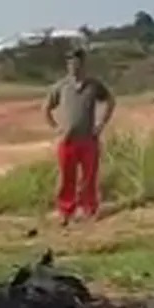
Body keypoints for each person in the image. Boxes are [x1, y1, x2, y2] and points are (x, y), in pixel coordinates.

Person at [44, 48, 116, 224]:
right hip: (67, 140)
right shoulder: (61, 86)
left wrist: (101, 124)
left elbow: (110, 100)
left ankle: (89, 209)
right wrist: (56, 128)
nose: (73, 67)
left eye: (76, 63)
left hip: (88, 140)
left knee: (89, 178)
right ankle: (66, 211)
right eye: (70, 63)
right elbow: (46, 108)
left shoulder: (93, 85)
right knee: (66, 178)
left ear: (83, 64)